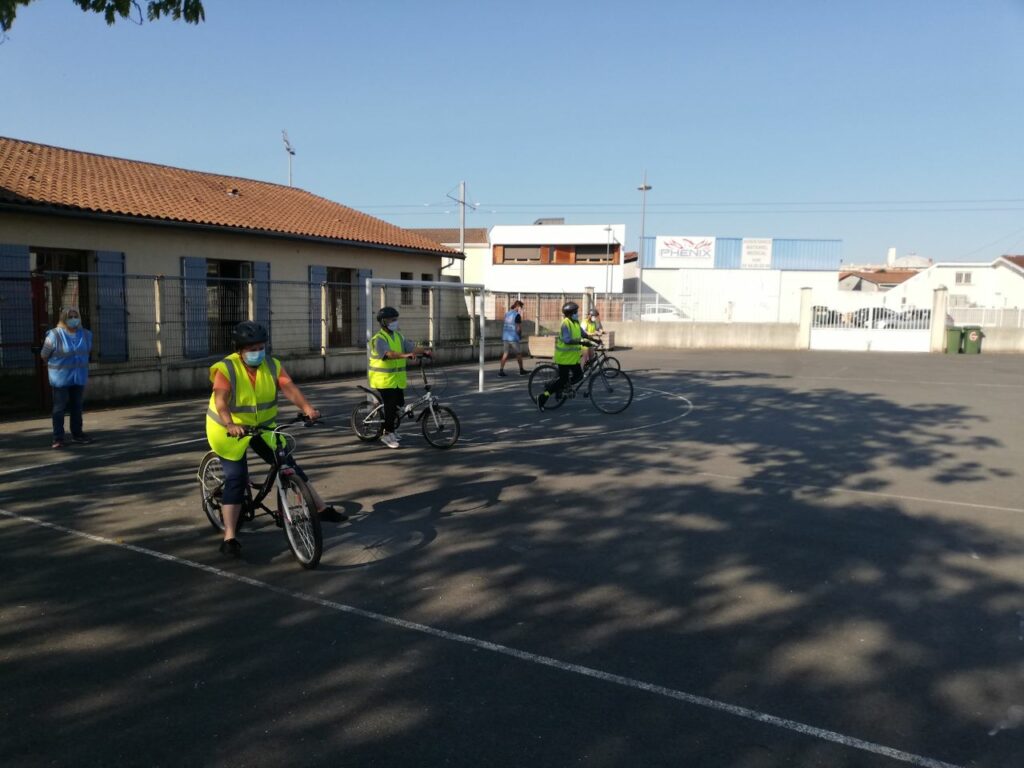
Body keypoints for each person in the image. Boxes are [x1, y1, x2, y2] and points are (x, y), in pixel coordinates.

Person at [207, 320, 346, 558]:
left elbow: (289, 388)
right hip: (228, 429)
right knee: (237, 478)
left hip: (263, 426)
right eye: (251, 348)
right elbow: (221, 399)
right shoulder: (226, 368)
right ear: (239, 350)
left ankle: (320, 509)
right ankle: (230, 536)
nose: (257, 352)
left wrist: (307, 408)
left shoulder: (272, 365)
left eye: (261, 347)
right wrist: (230, 423)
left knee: (289, 465)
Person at [368, 306, 429, 449]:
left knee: (399, 405)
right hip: (382, 379)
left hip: (396, 380)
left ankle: (392, 430)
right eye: (392, 319)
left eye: (396, 319)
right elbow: (388, 354)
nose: (395, 322)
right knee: (390, 407)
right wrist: (404, 355)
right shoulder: (378, 339)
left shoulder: (398, 336)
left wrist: (425, 352)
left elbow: (412, 348)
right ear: (384, 322)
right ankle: (386, 433)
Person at [40, 306, 93, 449]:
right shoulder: (54, 335)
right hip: (60, 379)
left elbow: (87, 351)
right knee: (59, 408)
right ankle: (58, 438)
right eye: (70, 317)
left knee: (77, 407)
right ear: (64, 319)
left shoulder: (86, 334)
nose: (73, 319)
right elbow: (44, 354)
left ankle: (78, 434)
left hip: (78, 378)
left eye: (76, 316)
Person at [537, 301, 598, 411]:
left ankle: (563, 387)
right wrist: (582, 342)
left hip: (572, 358)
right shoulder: (566, 323)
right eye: (575, 312)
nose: (577, 313)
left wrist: (593, 339)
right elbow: (567, 340)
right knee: (562, 380)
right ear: (570, 313)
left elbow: (583, 333)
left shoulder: (575, 322)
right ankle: (543, 396)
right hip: (564, 358)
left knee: (579, 376)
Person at [498, 299, 528, 377]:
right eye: (521, 308)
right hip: (513, 337)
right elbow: (518, 328)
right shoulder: (517, 315)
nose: (521, 310)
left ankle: (501, 371)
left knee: (505, 353)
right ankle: (521, 370)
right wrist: (520, 335)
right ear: (518, 307)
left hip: (505, 337)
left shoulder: (507, 314)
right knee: (518, 353)